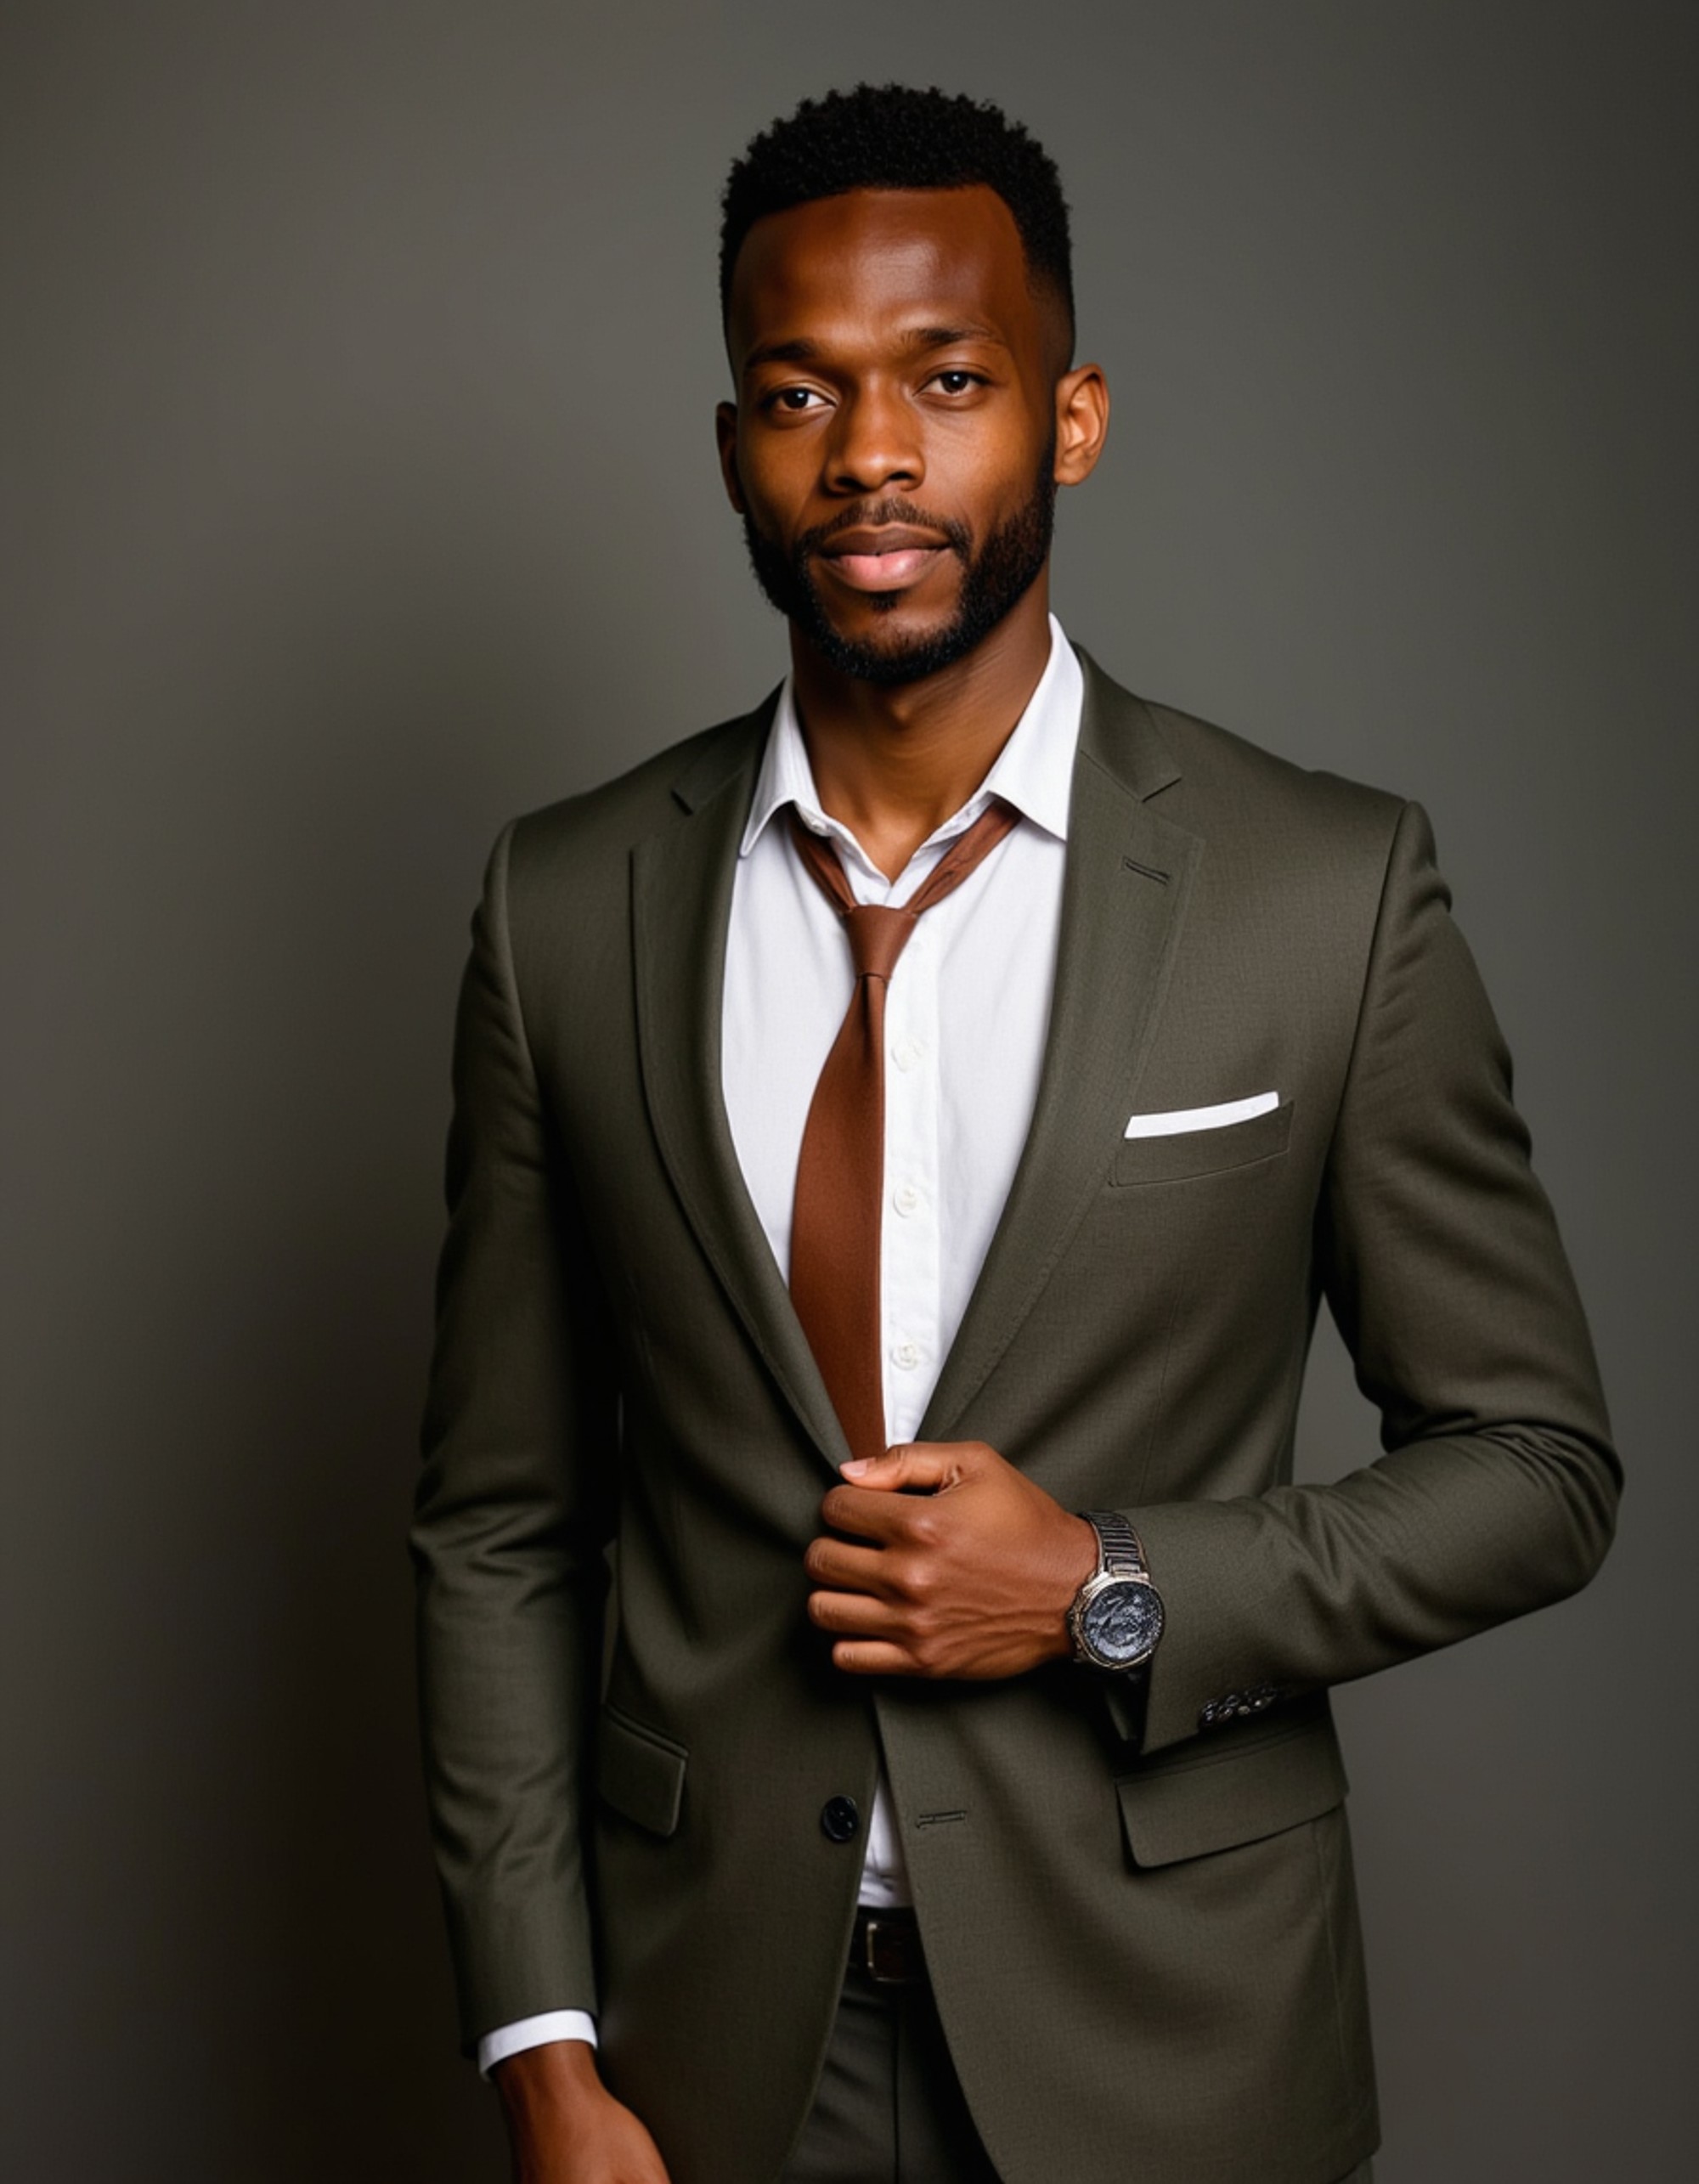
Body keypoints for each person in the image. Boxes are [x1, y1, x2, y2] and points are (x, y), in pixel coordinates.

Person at [411, 83, 1618, 2184]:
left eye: (946, 380)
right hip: (706, 2064)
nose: (871, 448)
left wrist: (1105, 1591)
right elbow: (502, 1524)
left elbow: (1537, 1467)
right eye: (801, 389)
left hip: (1174, 2051)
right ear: (733, 449)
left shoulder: (1323, 890)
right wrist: (544, 2045)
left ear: (1067, 419)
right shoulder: (562, 902)